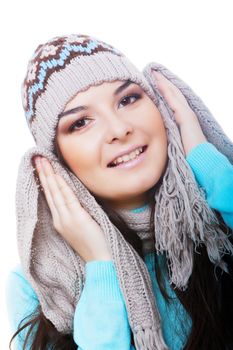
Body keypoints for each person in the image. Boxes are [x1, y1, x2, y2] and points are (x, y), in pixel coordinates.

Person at [5, 33, 233, 350]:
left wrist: (209, 166)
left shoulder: (220, 222)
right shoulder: (37, 288)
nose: (119, 129)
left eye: (127, 100)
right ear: (56, 163)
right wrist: (100, 266)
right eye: (81, 122)